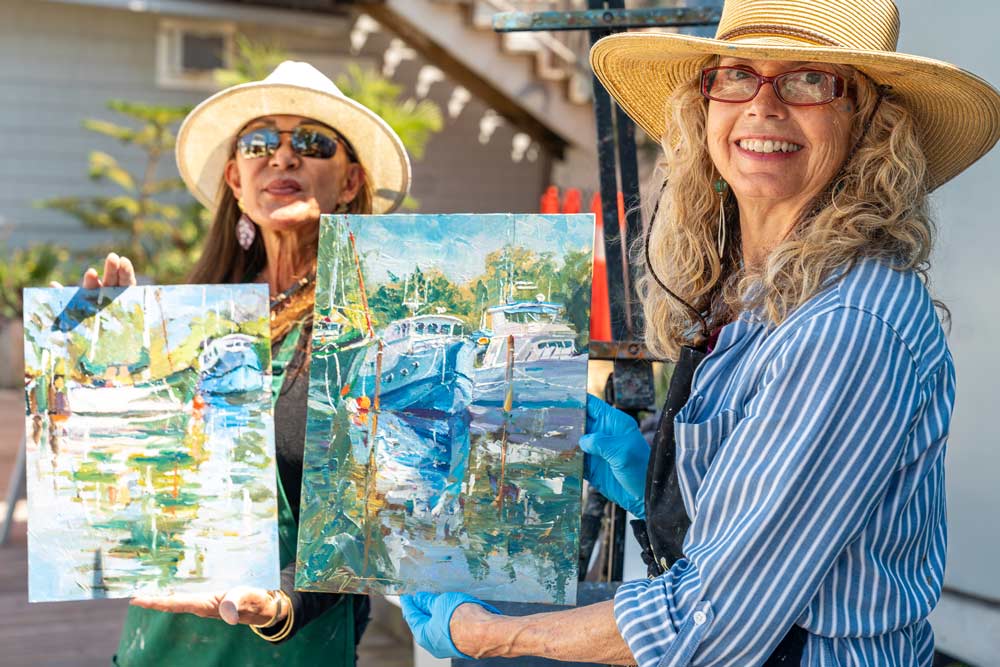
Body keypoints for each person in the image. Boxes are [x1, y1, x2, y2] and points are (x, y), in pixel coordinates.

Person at [401, 0, 1000, 665]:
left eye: (809, 80)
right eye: (737, 74)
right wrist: (648, 475)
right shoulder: (754, 289)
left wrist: (492, 636)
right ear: (704, 106)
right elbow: (748, 517)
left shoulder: (846, 324)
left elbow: (709, 621)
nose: (763, 105)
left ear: (868, 123)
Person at [71, 61, 411, 665]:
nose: (282, 159)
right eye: (260, 144)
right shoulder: (186, 324)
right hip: (160, 642)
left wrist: (281, 603)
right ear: (235, 178)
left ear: (351, 180)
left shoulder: (372, 326)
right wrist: (95, 354)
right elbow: (127, 480)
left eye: (311, 142)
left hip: (291, 639)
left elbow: (383, 510)